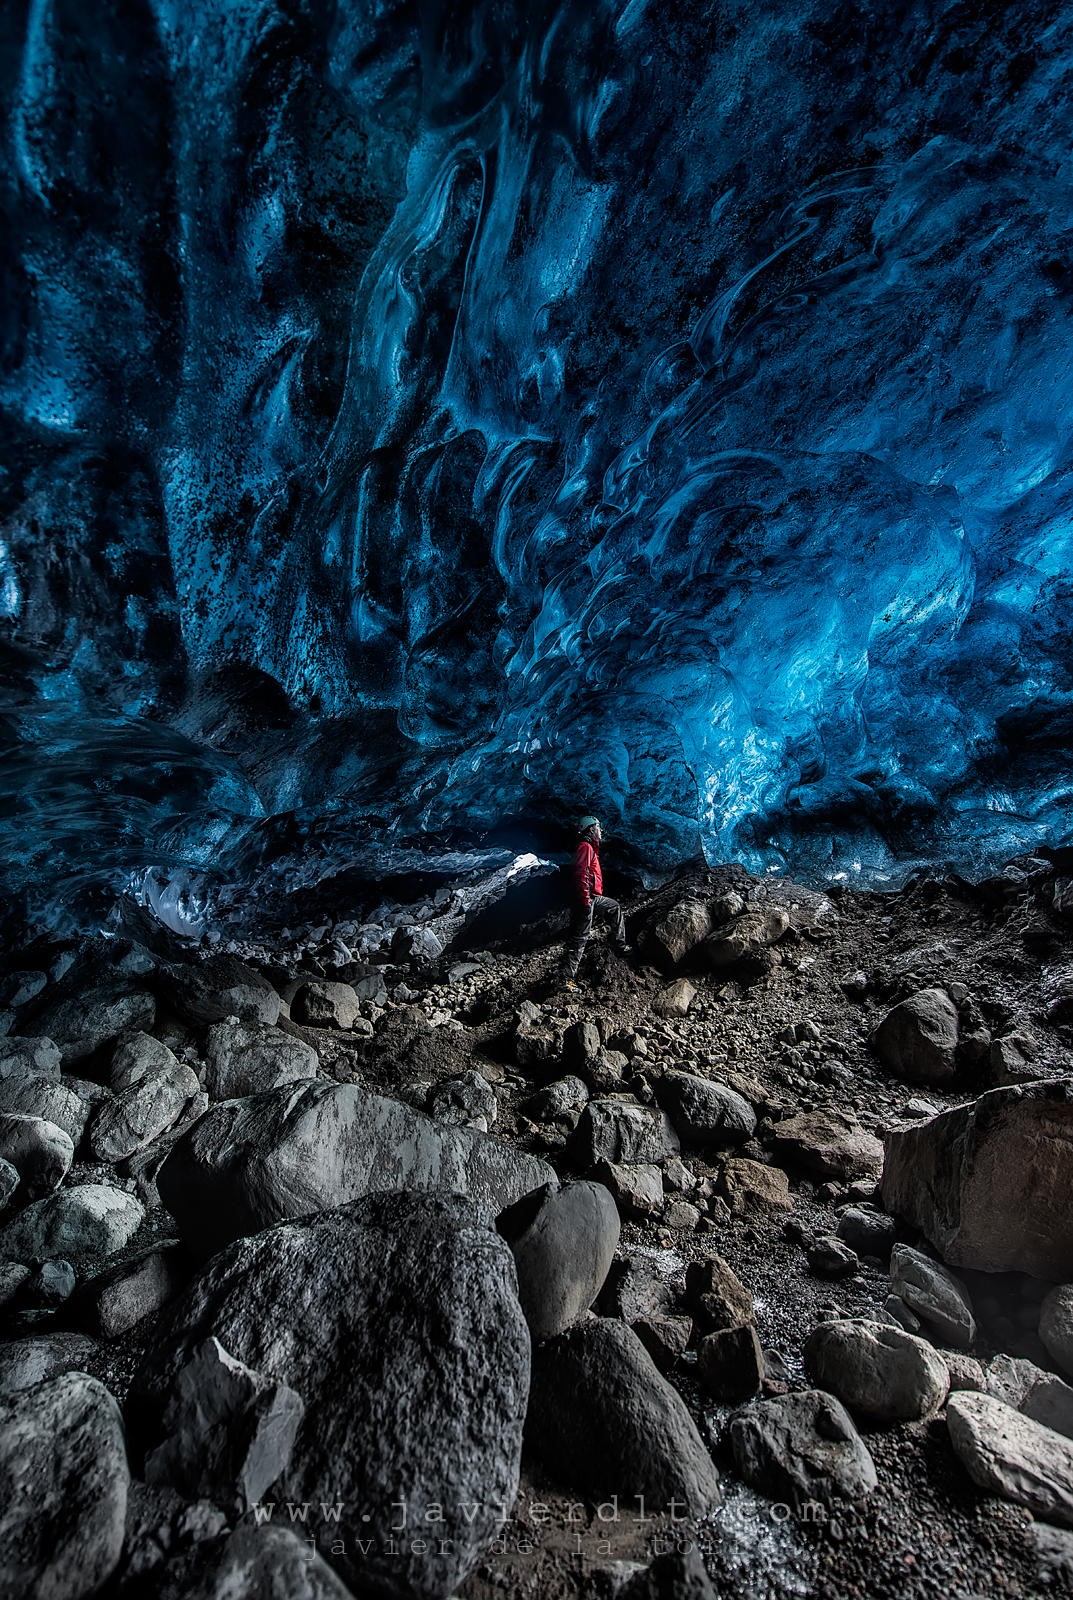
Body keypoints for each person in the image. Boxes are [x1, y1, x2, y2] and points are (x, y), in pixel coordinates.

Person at [561, 815, 630, 984]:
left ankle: (619, 945)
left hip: (593, 898)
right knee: (580, 939)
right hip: (586, 900)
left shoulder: (590, 847)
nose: (601, 831)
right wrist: (585, 902)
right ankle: (565, 980)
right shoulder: (585, 847)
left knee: (614, 907)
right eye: (598, 828)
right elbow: (581, 874)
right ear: (591, 829)